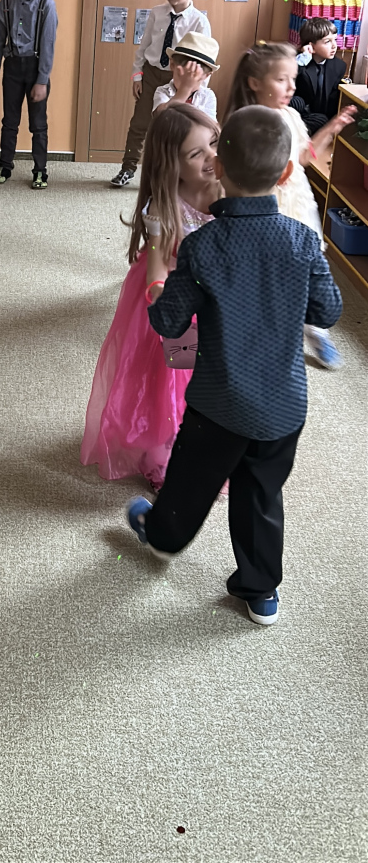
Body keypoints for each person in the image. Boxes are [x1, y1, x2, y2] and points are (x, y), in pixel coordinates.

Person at [127, 107, 342, 626]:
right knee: (261, 493)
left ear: (220, 168)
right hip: (284, 407)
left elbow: (169, 320)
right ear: (286, 172)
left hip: (218, 406)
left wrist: (159, 292)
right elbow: (328, 310)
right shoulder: (302, 240)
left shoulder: (202, 246)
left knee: (189, 484)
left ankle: (162, 537)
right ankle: (261, 591)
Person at [81, 105, 221, 489]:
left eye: (214, 144)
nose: (212, 157)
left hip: (219, 304)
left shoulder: (228, 190)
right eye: (197, 154)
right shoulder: (163, 205)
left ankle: (208, 444)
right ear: (172, 164)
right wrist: (165, 300)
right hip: (177, 306)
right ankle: (165, 452)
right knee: (175, 382)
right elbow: (157, 267)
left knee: (214, 381)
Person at [225, 42, 355, 369]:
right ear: (255, 82)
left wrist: (332, 127)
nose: (291, 87)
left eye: (293, 79)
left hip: (299, 204)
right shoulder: (247, 122)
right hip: (267, 210)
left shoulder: (292, 115)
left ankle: (315, 328)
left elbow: (303, 158)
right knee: (270, 276)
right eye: (281, 79)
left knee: (308, 267)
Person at [110, 0, 211, 188]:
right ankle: (128, 168)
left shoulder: (200, 22)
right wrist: (137, 76)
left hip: (180, 82)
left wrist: (197, 91)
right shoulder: (157, 13)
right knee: (139, 124)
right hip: (152, 74)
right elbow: (143, 47)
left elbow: (203, 61)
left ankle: (167, 174)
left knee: (173, 130)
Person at [0, 0, 58, 190]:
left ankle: (40, 171)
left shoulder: (47, 5)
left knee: (38, 124)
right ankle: (5, 166)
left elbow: (48, 44)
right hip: (13, 68)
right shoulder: (5, 3)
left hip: (37, 69)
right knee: (9, 121)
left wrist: (42, 80)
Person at [292, 18, 345, 134]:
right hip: (296, 113)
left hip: (315, 117)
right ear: (311, 46)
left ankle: (303, 131)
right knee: (296, 102)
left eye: (335, 40)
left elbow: (331, 101)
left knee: (322, 120)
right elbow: (289, 78)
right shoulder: (298, 61)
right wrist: (303, 60)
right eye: (327, 42)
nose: (334, 46)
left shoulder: (338, 66)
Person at [151, 31, 219, 120]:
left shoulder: (207, 96)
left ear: (206, 76)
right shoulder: (162, 92)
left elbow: (210, 125)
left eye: (194, 78)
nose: (187, 82)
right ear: (172, 65)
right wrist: (185, 89)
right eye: (182, 76)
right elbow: (161, 117)